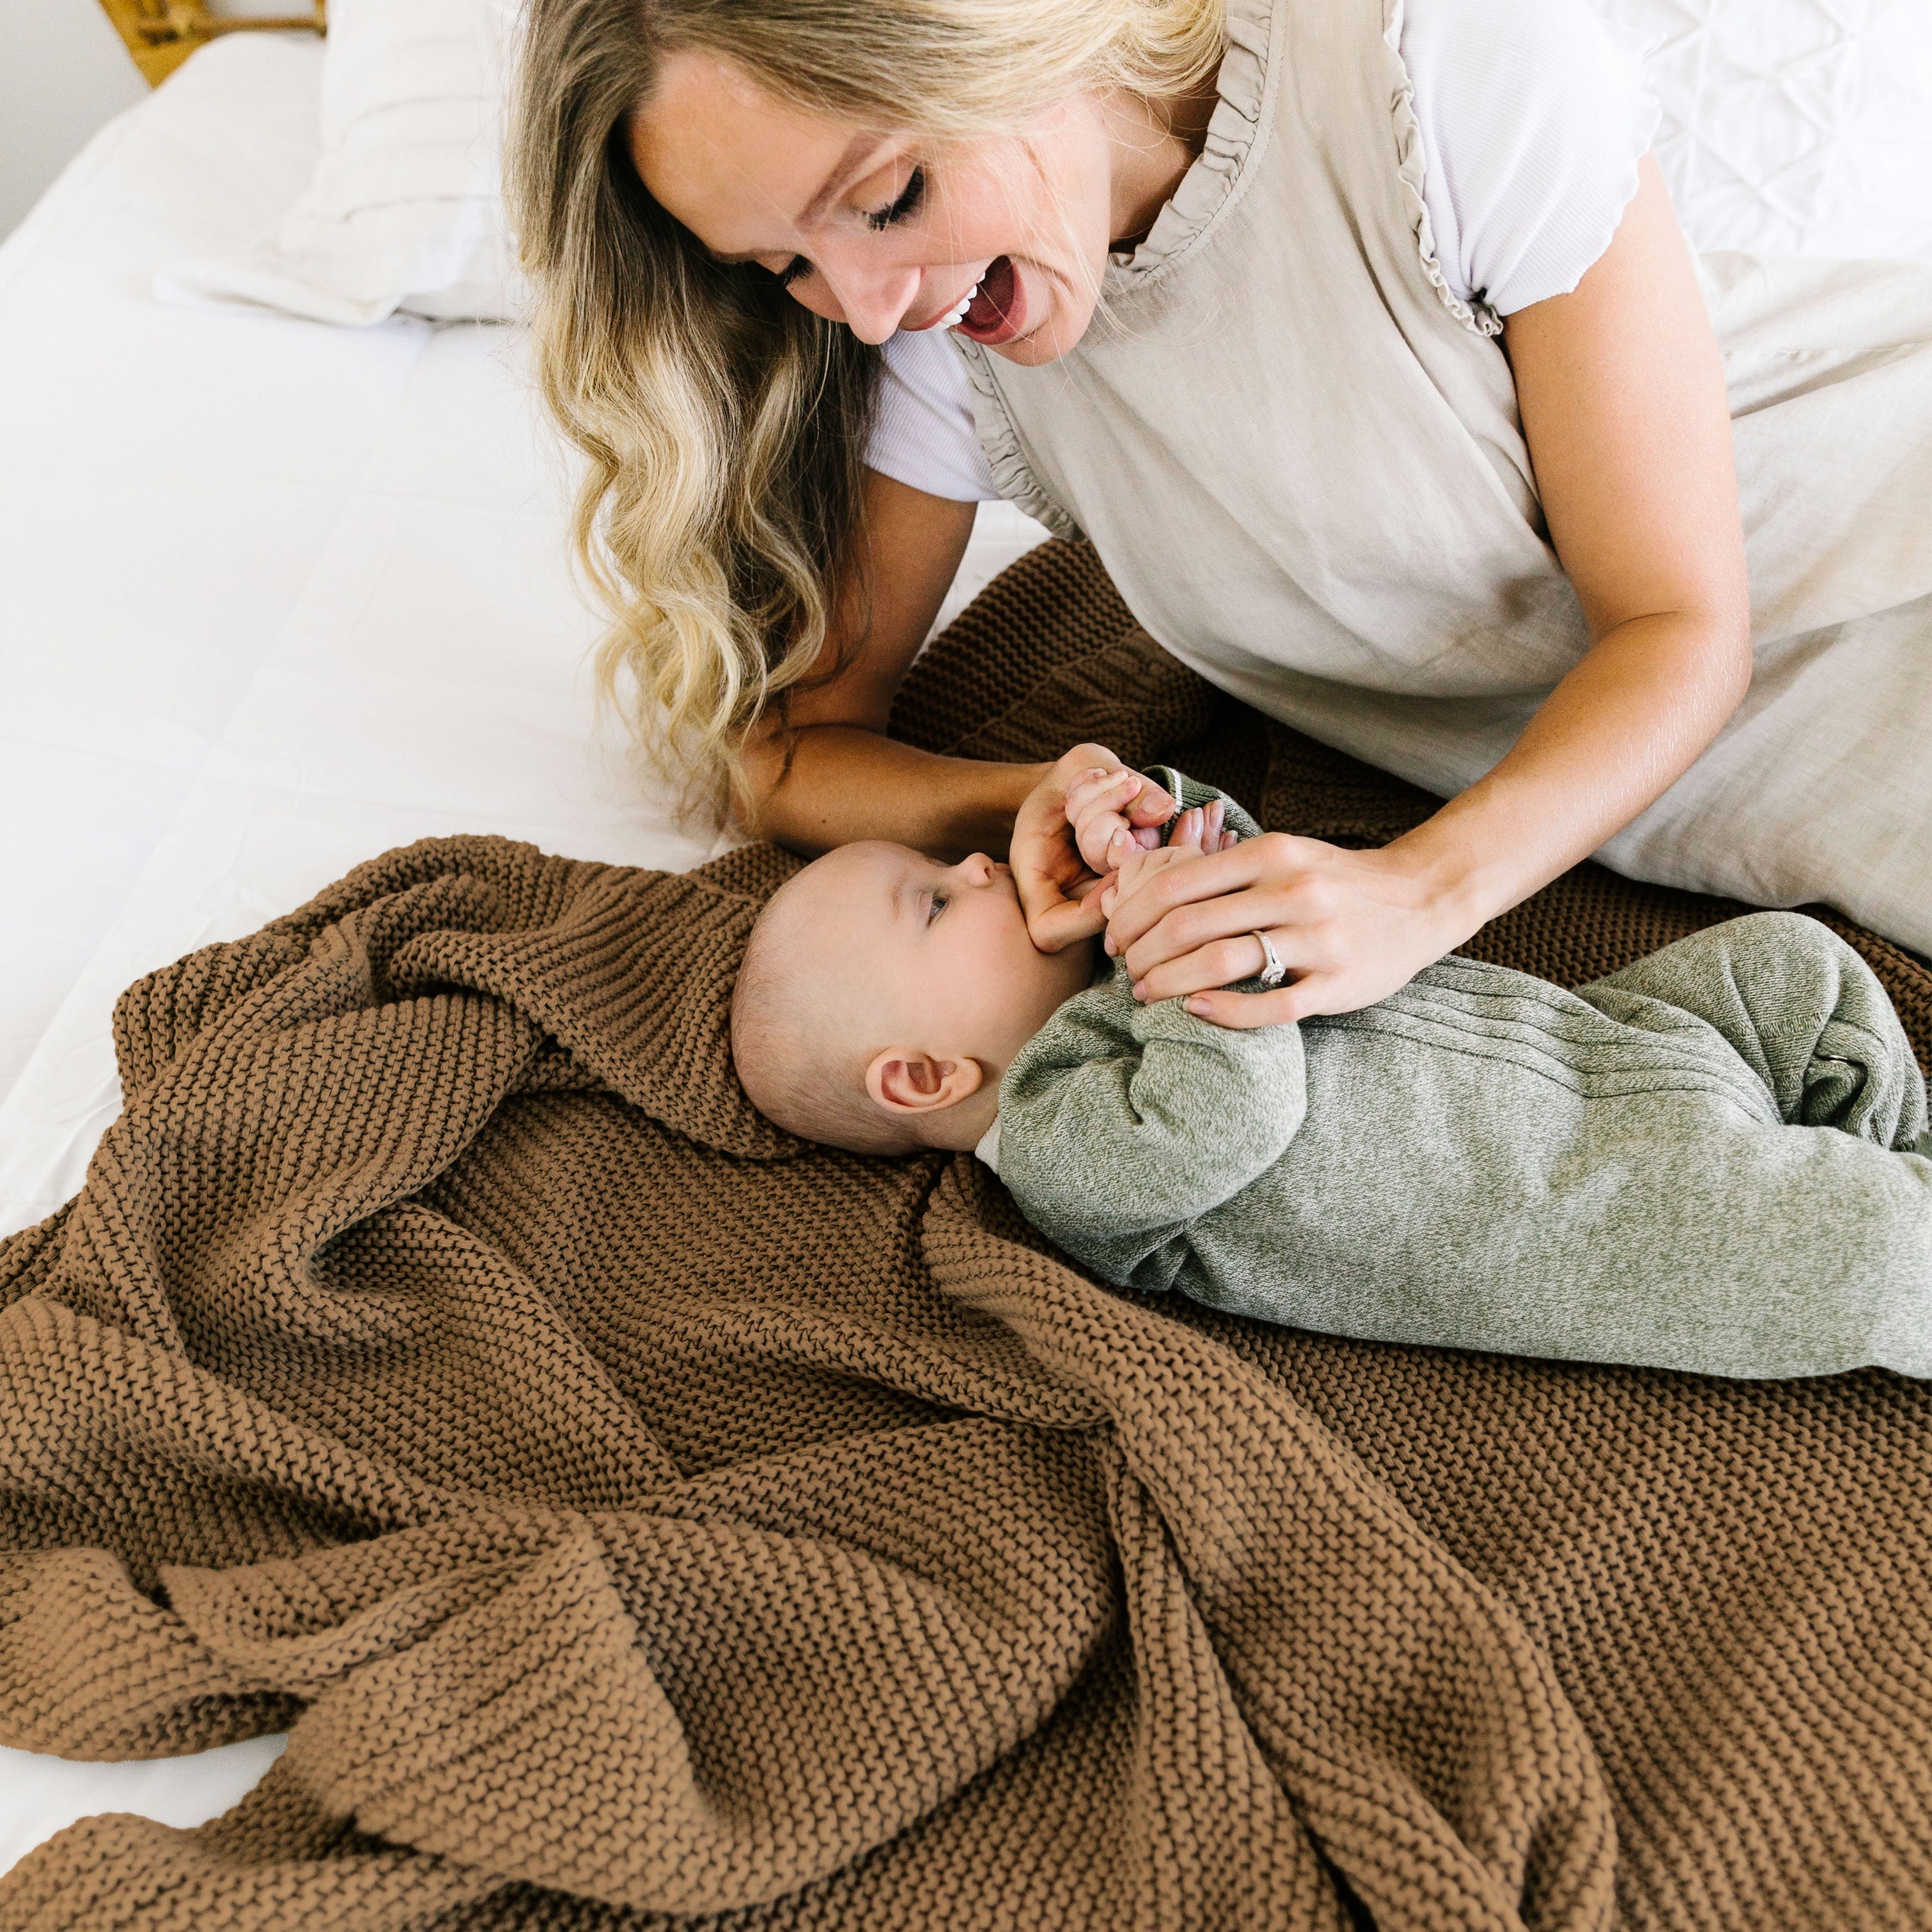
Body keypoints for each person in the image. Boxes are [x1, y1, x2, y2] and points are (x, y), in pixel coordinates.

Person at [508, 0, 1932, 1036]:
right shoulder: (940, 337)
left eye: (888, 197)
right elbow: (786, 754)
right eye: (783, 266)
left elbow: (1679, 627)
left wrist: (1419, 897)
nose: (870, 304)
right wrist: (1038, 799)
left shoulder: (1432, 64)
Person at [729, 768, 1932, 1379]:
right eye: (937, 901)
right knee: (1861, 1250)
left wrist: (1167, 829)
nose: (984, 870)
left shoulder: (1114, 958)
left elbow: (1284, 894)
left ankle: (1889, 1151)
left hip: (1605, 1050)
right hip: (1597, 1210)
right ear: (924, 1076)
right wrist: (1174, 944)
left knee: (1790, 968)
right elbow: (1230, 1111)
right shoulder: (1057, 1145)